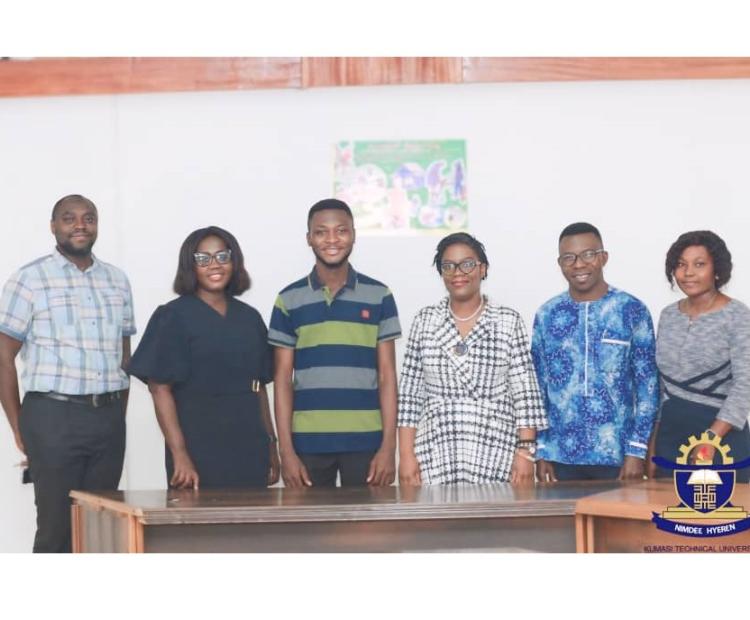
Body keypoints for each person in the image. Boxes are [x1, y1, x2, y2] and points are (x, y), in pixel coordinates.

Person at [0, 194, 135, 553]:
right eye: (69, 218)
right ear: (53, 226)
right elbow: (3, 355)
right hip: (52, 418)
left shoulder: (117, 281)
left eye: (88, 218)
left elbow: (124, 356)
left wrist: (115, 418)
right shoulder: (29, 279)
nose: (80, 225)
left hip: (106, 419)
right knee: (56, 528)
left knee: (102, 527)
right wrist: (19, 425)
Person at [128, 226, 279, 489]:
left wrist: (271, 445)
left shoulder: (250, 317)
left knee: (251, 529)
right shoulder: (172, 316)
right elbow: (159, 388)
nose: (214, 265)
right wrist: (180, 454)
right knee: (197, 529)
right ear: (190, 266)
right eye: (203, 259)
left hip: (249, 445)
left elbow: (259, 387)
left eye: (223, 256)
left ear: (234, 262)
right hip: (196, 448)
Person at [268, 198, 401, 487]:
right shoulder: (288, 299)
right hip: (307, 444)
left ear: (353, 235)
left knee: (368, 531)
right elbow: (282, 380)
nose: (332, 239)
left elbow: (387, 375)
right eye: (321, 232)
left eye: (341, 230)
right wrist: (286, 451)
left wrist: (389, 448)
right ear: (309, 239)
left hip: (367, 441)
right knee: (312, 532)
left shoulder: (379, 295)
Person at [398, 233, 547, 485]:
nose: (458, 272)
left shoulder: (507, 320)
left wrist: (525, 453)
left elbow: (525, 393)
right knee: (437, 522)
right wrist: (405, 455)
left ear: (483, 269)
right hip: (436, 450)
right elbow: (410, 396)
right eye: (448, 266)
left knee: (491, 521)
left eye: (467, 264)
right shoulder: (425, 320)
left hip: (496, 448)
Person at [531, 222, 659, 482]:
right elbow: (537, 387)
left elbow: (648, 386)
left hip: (618, 456)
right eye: (569, 258)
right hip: (560, 457)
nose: (578, 264)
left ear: (603, 258)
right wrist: (541, 449)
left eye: (588, 255)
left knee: (616, 524)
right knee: (563, 524)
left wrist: (637, 449)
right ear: (560, 264)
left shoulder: (631, 310)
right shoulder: (547, 314)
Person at [648, 230, 750, 482]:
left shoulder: (737, 315)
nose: (688, 272)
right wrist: (653, 443)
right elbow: (662, 385)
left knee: (718, 519)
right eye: (681, 265)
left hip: (721, 437)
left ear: (717, 269)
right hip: (671, 435)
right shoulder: (668, 315)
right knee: (667, 518)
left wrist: (711, 439)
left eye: (699, 264)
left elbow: (745, 384)